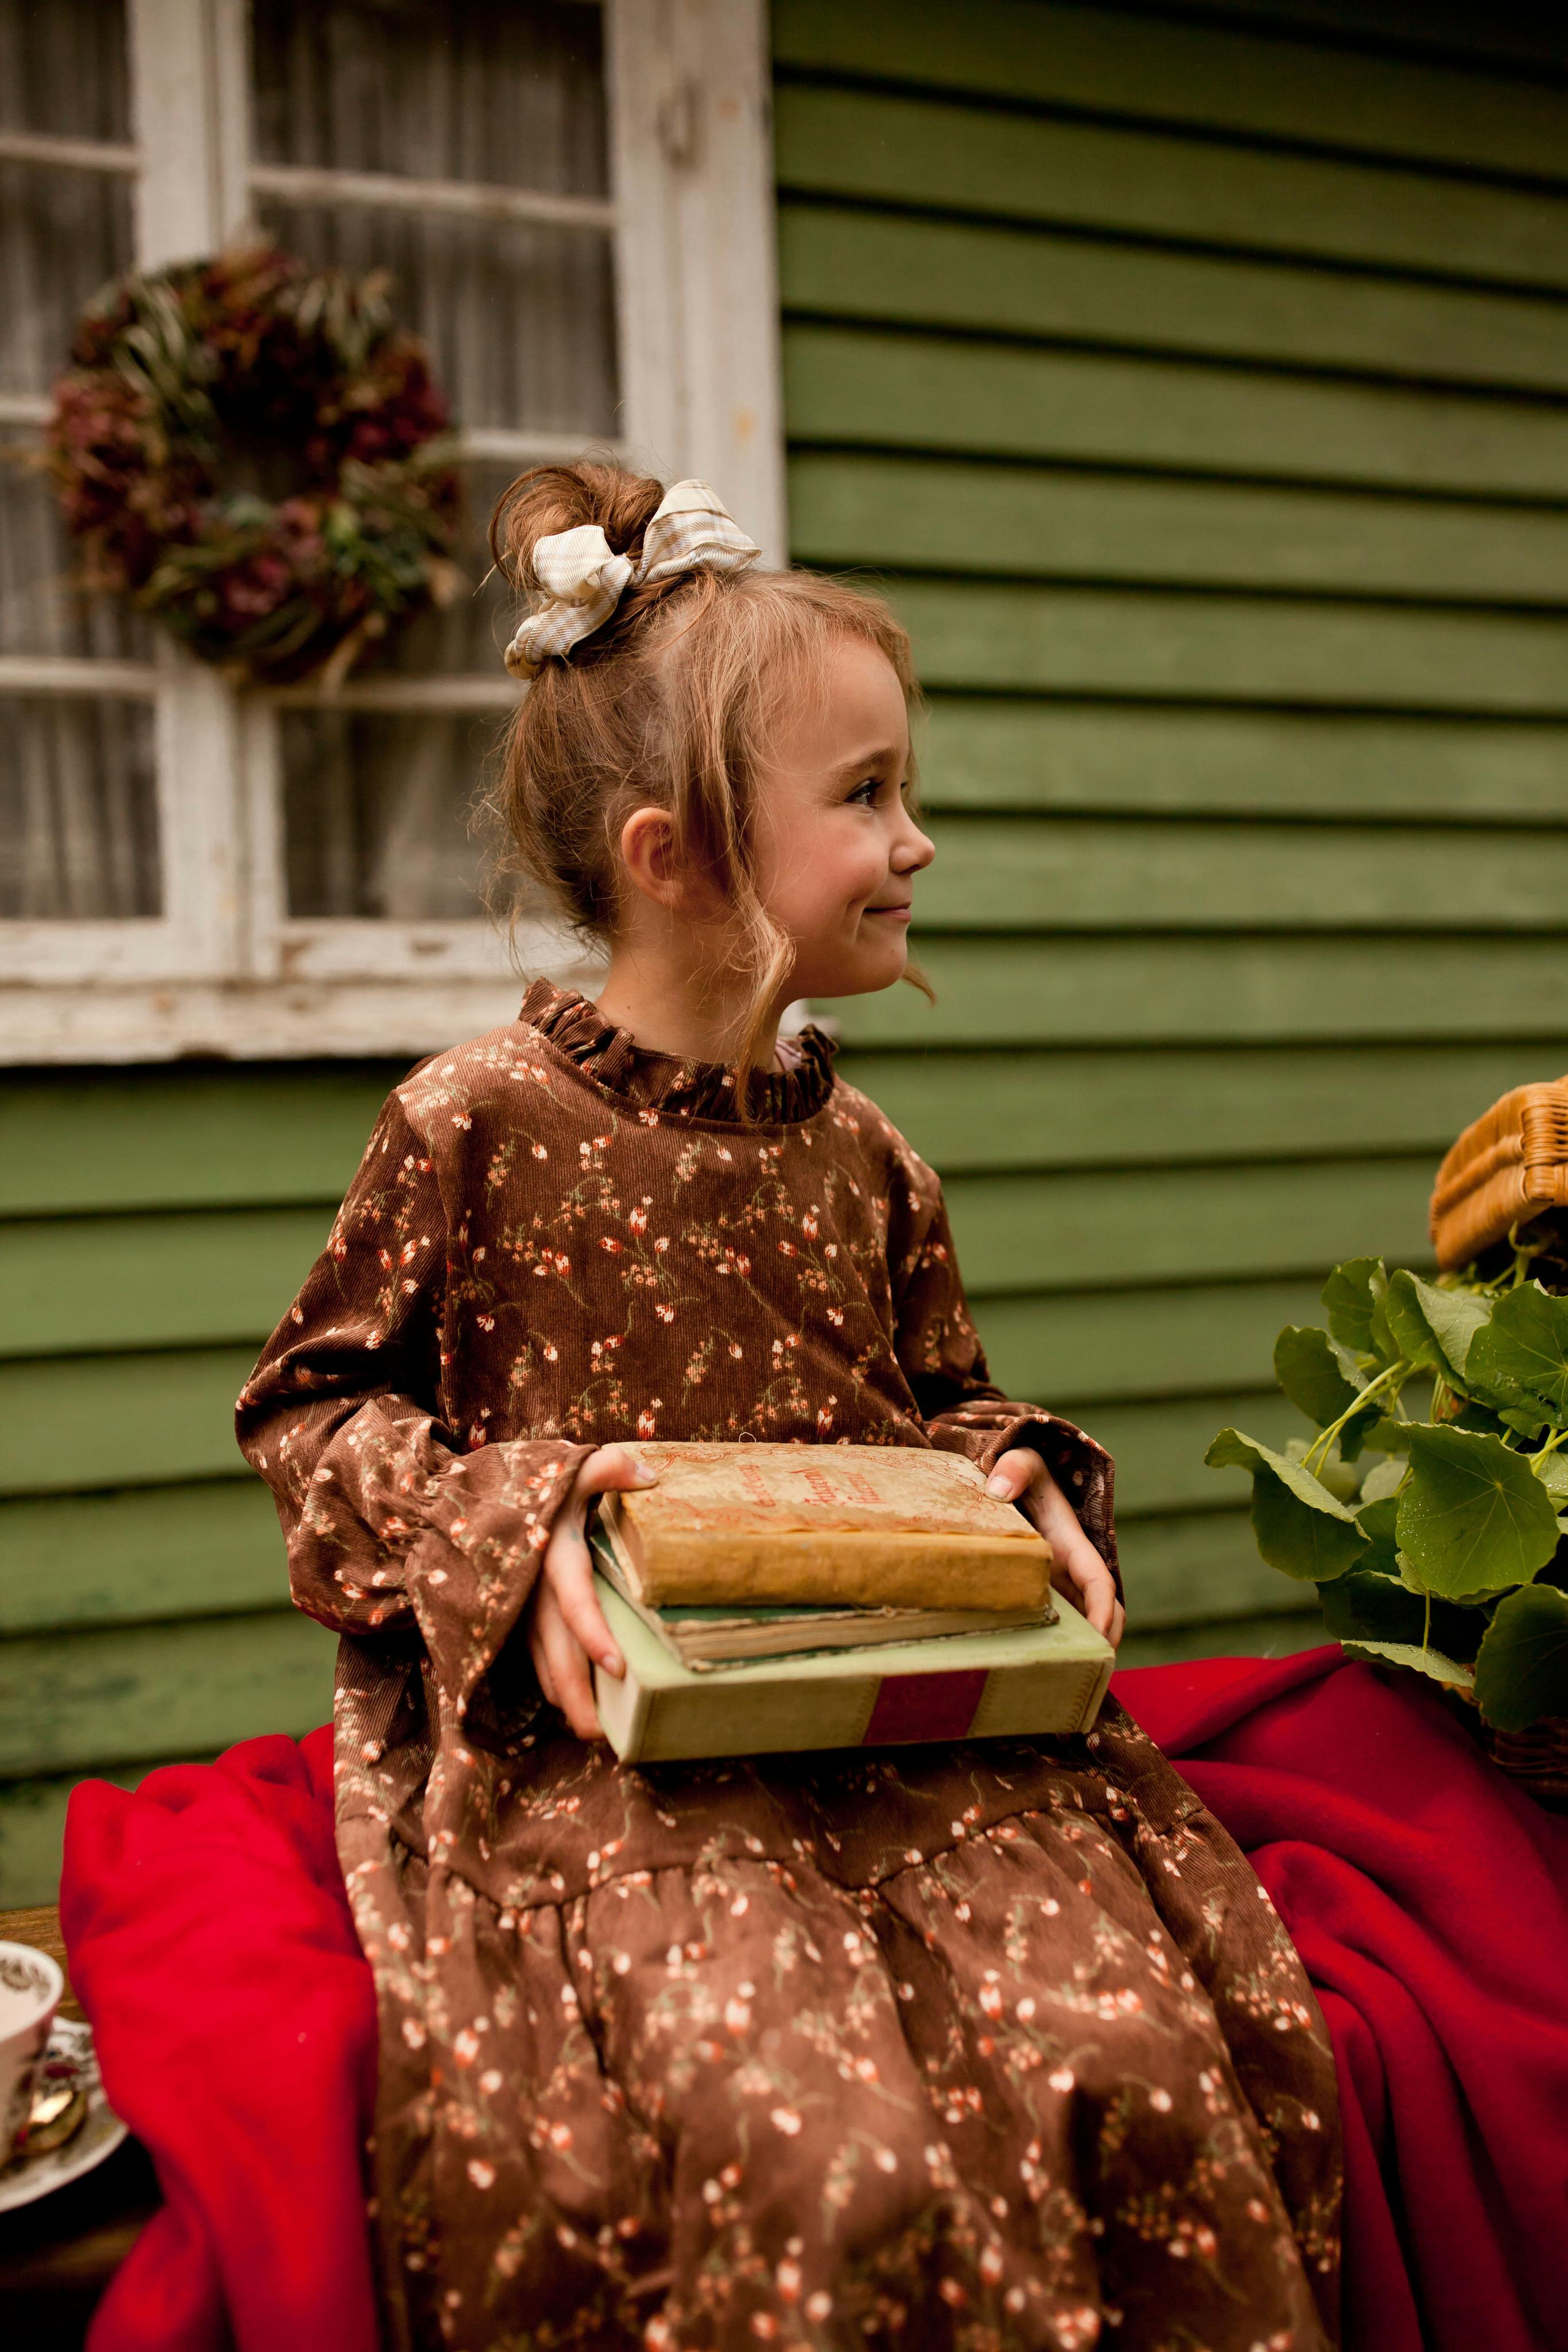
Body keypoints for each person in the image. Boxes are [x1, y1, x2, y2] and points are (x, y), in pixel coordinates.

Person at [238, 465, 1340, 2351]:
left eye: (906, 789)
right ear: (676, 856)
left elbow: (942, 1397)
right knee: (801, 2144)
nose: (919, 843)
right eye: (867, 798)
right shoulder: (474, 1127)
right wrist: (528, 1524)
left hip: (910, 1724)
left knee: (1149, 2061)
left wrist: (1014, 1479)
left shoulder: (871, 1158)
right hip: (611, 1765)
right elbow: (312, 1423)